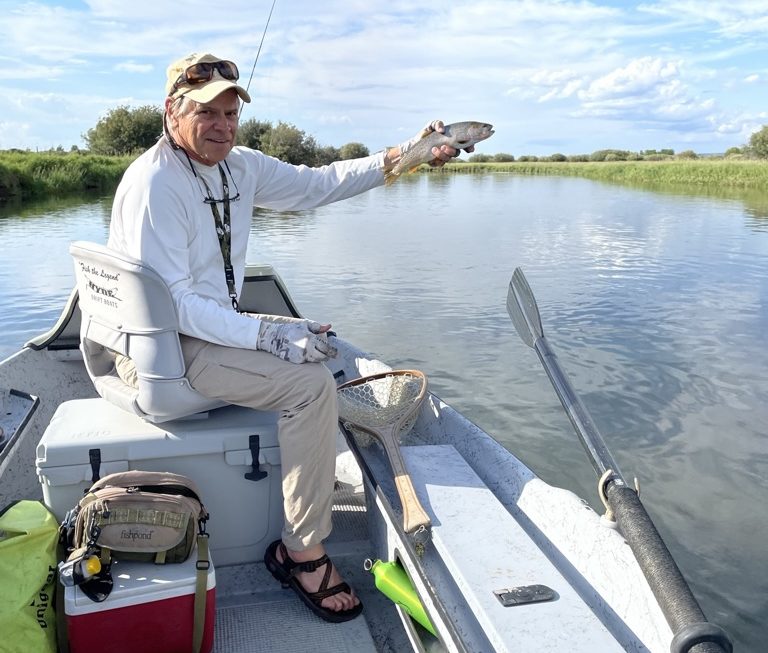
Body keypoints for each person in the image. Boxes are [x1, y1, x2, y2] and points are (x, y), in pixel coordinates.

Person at [107, 51, 472, 623]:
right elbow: (175, 306)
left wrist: (405, 155)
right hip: (161, 351)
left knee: (319, 342)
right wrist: (268, 336)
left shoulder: (236, 164)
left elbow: (317, 184)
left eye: (231, 113)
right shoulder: (155, 183)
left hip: (197, 332)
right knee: (308, 386)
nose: (223, 125)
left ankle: (307, 485)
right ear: (172, 110)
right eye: (208, 113)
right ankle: (300, 551)